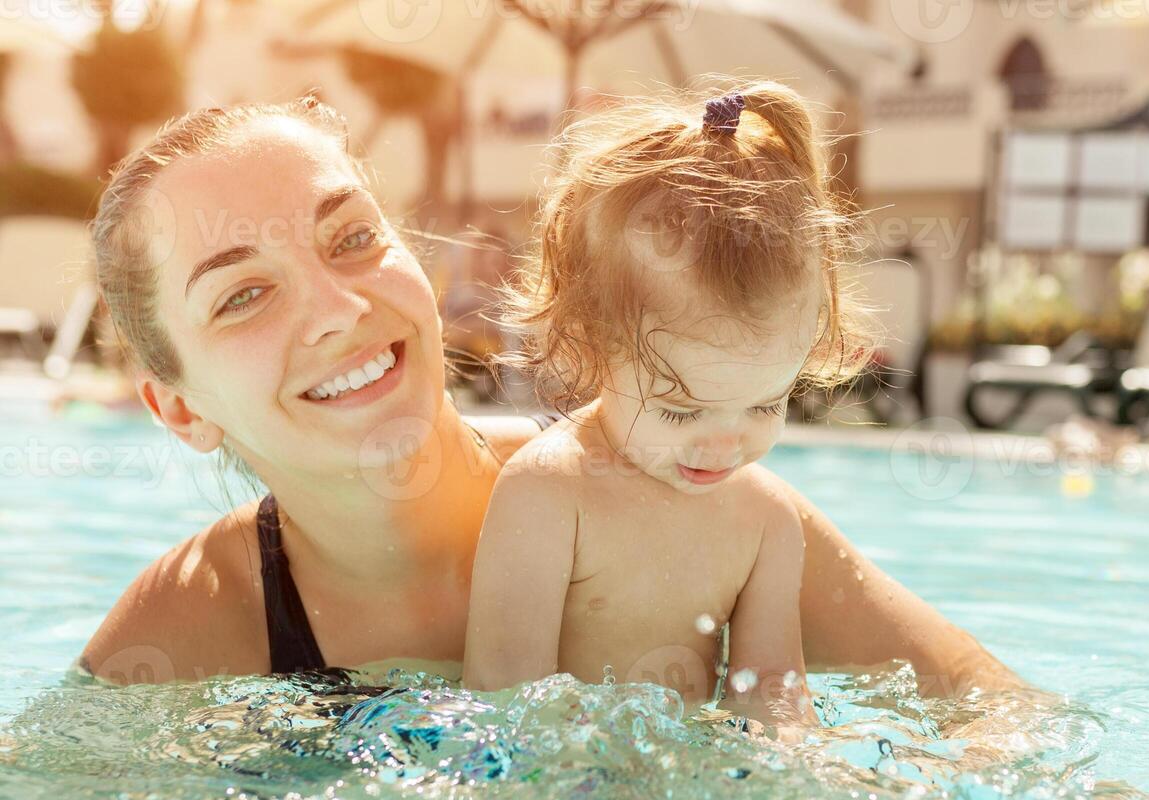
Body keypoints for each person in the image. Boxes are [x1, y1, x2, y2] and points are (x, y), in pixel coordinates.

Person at [77, 95, 1023, 698]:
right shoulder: (190, 623)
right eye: (243, 293)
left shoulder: (674, 478)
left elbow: (994, 716)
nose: (339, 309)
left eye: (352, 238)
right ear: (180, 408)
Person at [463, 85, 865, 724]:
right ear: (590, 344)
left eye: (765, 405)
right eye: (681, 410)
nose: (725, 443)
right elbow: (504, 702)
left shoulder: (766, 520)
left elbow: (772, 702)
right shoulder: (550, 493)